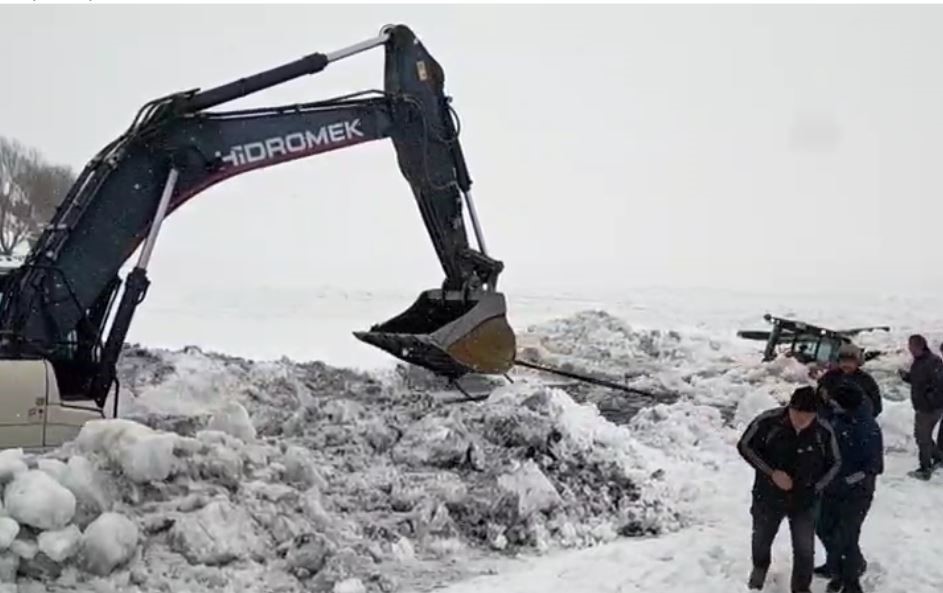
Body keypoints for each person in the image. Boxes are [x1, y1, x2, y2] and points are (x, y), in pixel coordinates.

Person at [737, 386, 842, 593]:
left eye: (808, 415)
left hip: (805, 501)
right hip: (768, 496)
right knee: (761, 539)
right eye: (797, 414)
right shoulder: (768, 422)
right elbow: (745, 446)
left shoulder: (823, 430)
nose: (802, 420)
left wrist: (815, 487)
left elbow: (836, 463)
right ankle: (759, 569)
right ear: (790, 408)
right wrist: (771, 473)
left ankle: (801, 588)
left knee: (804, 549)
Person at [814, 380, 884, 593]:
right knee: (824, 528)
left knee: (845, 537)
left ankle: (850, 583)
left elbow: (874, 467)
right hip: (830, 489)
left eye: (836, 403)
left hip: (857, 494)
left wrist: (845, 481)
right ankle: (837, 567)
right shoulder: (836, 417)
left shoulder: (867, 428)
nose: (832, 405)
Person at [898, 334, 943, 479]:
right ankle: (938, 457)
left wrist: (930, 398)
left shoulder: (933, 362)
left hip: (929, 408)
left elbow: (938, 384)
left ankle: (925, 468)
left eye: (912, 346)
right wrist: (906, 377)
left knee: (922, 438)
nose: (910, 349)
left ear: (920, 346)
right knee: (924, 436)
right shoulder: (919, 362)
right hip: (923, 406)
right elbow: (918, 381)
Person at [817, 344, 882, 418]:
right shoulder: (830, 376)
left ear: (858, 363)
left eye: (850, 361)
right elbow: (819, 397)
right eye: (844, 361)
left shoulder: (866, 380)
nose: (846, 364)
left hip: (857, 422)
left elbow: (876, 406)